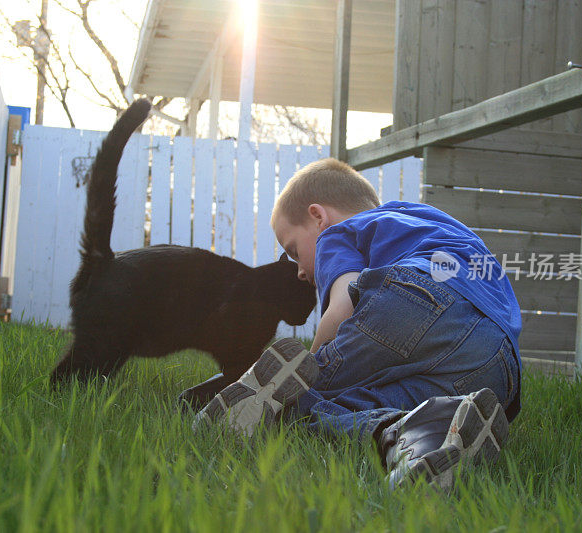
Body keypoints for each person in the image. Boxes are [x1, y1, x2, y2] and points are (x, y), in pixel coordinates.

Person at [193, 158, 521, 489]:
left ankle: (252, 407)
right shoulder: (425, 221)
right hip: (498, 365)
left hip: (416, 302)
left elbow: (342, 308)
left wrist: (311, 363)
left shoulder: (337, 233)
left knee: (303, 399)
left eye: (293, 251)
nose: (300, 272)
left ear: (317, 217)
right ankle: (419, 433)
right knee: (354, 404)